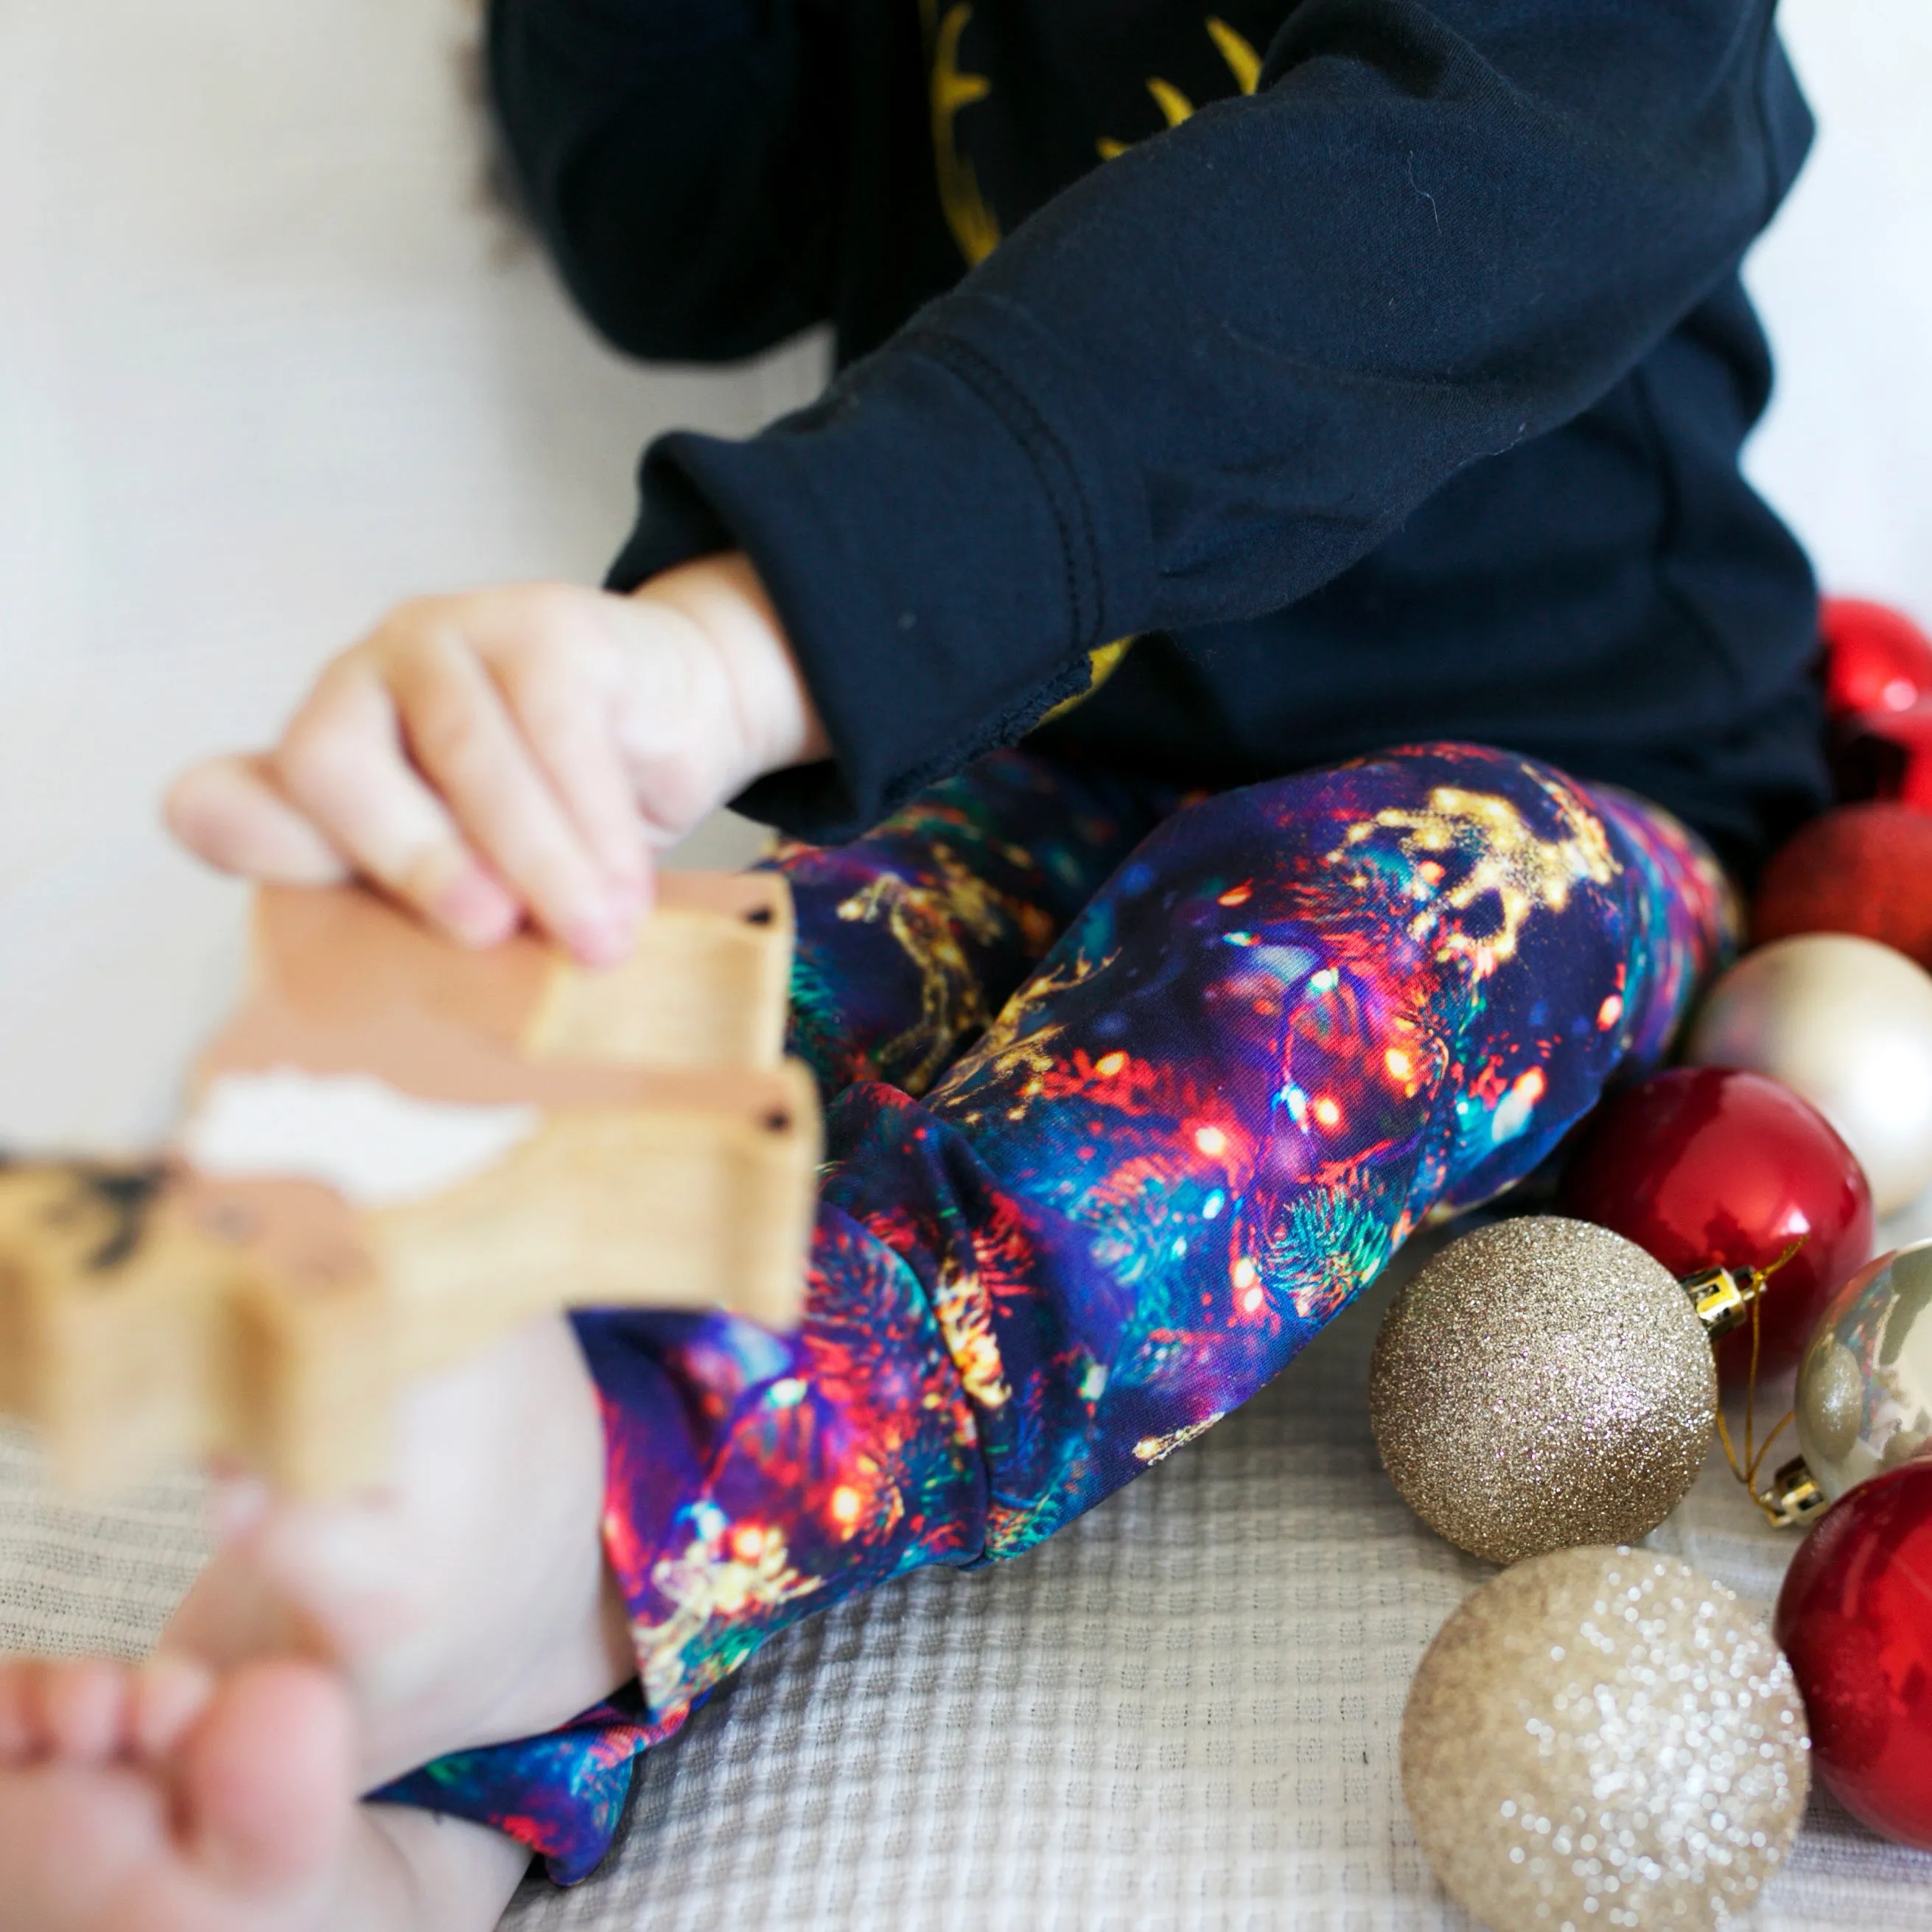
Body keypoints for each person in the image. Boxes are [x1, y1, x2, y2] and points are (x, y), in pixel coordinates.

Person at [0, 2, 1827, 1927]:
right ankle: (369, 1788)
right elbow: (682, 235)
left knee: (1279, 1007)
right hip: (1033, 740)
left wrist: (751, 633)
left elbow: (1461, 175)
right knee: (741, 1026)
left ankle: (575, 1515)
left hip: (1551, 773)